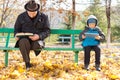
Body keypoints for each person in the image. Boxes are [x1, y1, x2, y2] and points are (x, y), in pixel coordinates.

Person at [14, 0, 50, 70]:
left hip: (37, 41)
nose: (31, 14)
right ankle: (27, 64)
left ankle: (28, 54)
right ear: (27, 10)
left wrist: (39, 36)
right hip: (24, 41)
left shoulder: (44, 17)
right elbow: (16, 29)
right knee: (23, 41)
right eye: (29, 12)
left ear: (37, 10)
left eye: (33, 13)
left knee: (37, 44)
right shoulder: (20, 17)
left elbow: (47, 31)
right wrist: (16, 35)